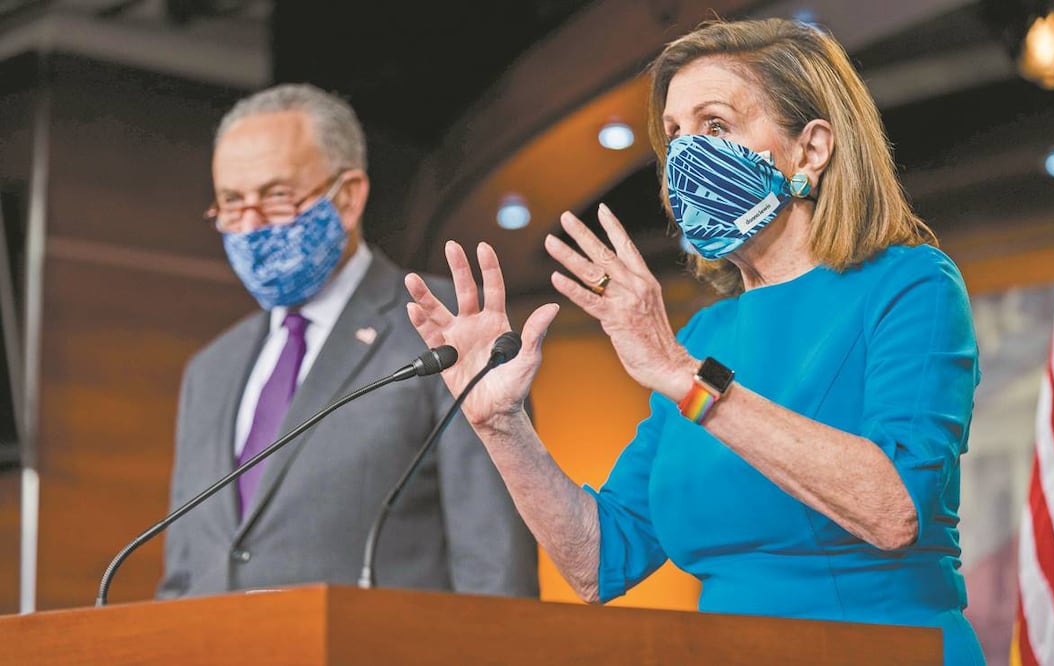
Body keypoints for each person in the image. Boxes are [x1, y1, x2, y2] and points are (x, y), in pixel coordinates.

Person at [404, 18, 984, 665]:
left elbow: (893, 509)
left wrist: (687, 380)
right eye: (674, 134)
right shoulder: (705, 335)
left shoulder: (909, 285)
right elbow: (599, 560)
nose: (683, 157)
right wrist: (500, 425)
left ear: (810, 149)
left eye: (714, 127)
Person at [157, 83, 538, 599]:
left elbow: (492, 556)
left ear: (350, 195)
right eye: (231, 203)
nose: (250, 226)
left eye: (276, 197)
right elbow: (185, 574)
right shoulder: (211, 369)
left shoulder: (444, 323)